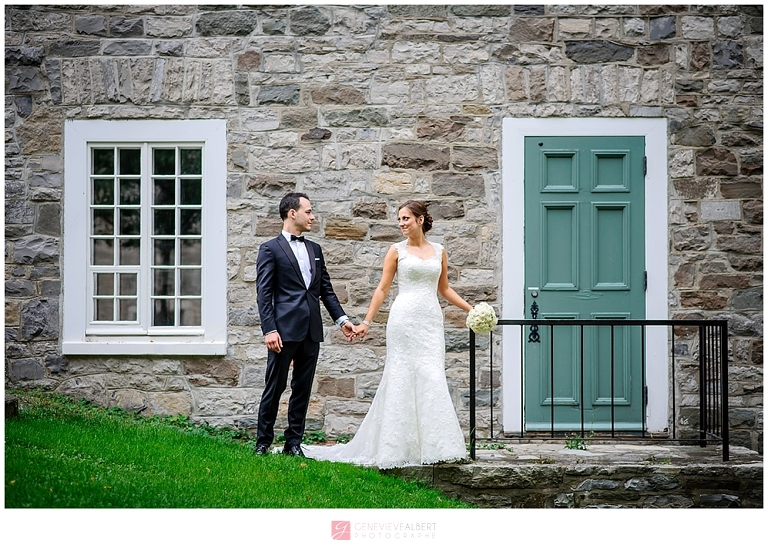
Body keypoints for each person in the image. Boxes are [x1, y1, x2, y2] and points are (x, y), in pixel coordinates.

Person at [304, 200, 472, 468]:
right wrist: (366, 322)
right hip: (403, 321)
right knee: (401, 376)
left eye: (406, 218)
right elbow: (382, 289)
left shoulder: (439, 251)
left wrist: (471, 309)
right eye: (399, 219)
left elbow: (445, 289)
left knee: (432, 375)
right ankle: (394, 449)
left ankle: (438, 446)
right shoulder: (395, 251)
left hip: (430, 322)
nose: (401, 223)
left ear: (420, 219)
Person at [254, 192, 356, 457]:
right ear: (292, 213)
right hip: (282, 331)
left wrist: (342, 320)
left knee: (302, 389)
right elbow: (264, 294)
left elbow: (326, 290)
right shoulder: (270, 249)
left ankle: (293, 444)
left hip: (311, 330)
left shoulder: (315, 249)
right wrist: (270, 329)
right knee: (274, 387)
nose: (312, 217)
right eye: (308, 211)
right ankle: (262, 443)